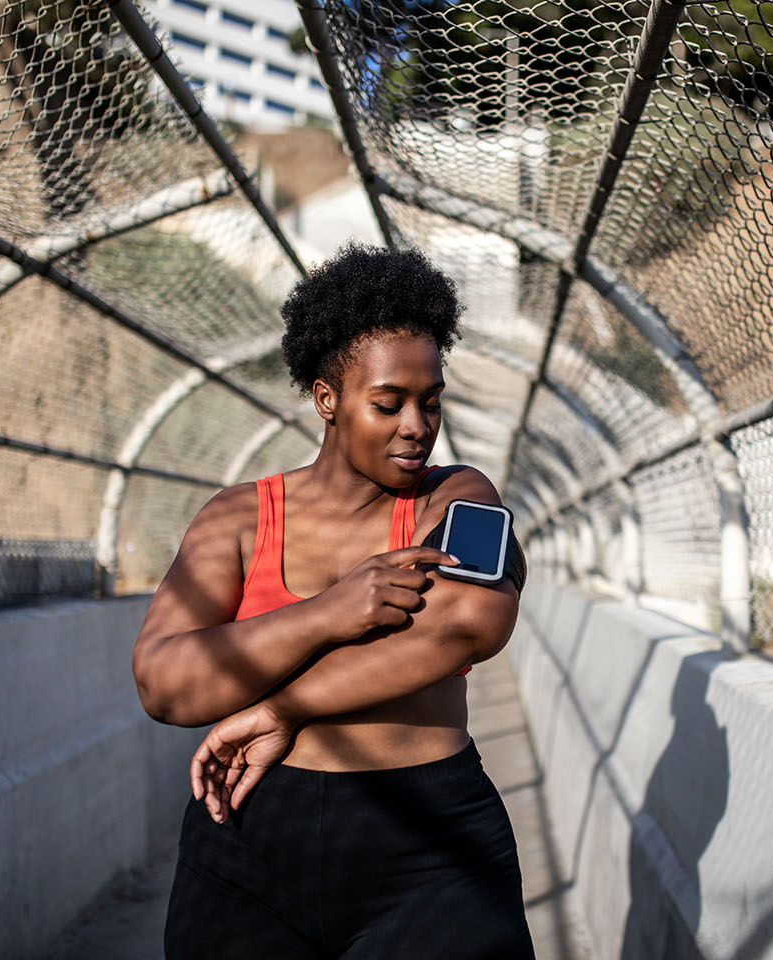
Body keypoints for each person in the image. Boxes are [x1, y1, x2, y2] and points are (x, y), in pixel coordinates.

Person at [131, 242, 535, 960]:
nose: (417, 424)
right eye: (388, 403)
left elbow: (470, 620)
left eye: (430, 401)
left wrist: (283, 708)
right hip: (249, 842)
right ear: (327, 398)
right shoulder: (239, 517)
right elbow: (164, 682)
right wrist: (328, 612)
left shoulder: (459, 495)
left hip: (429, 846)